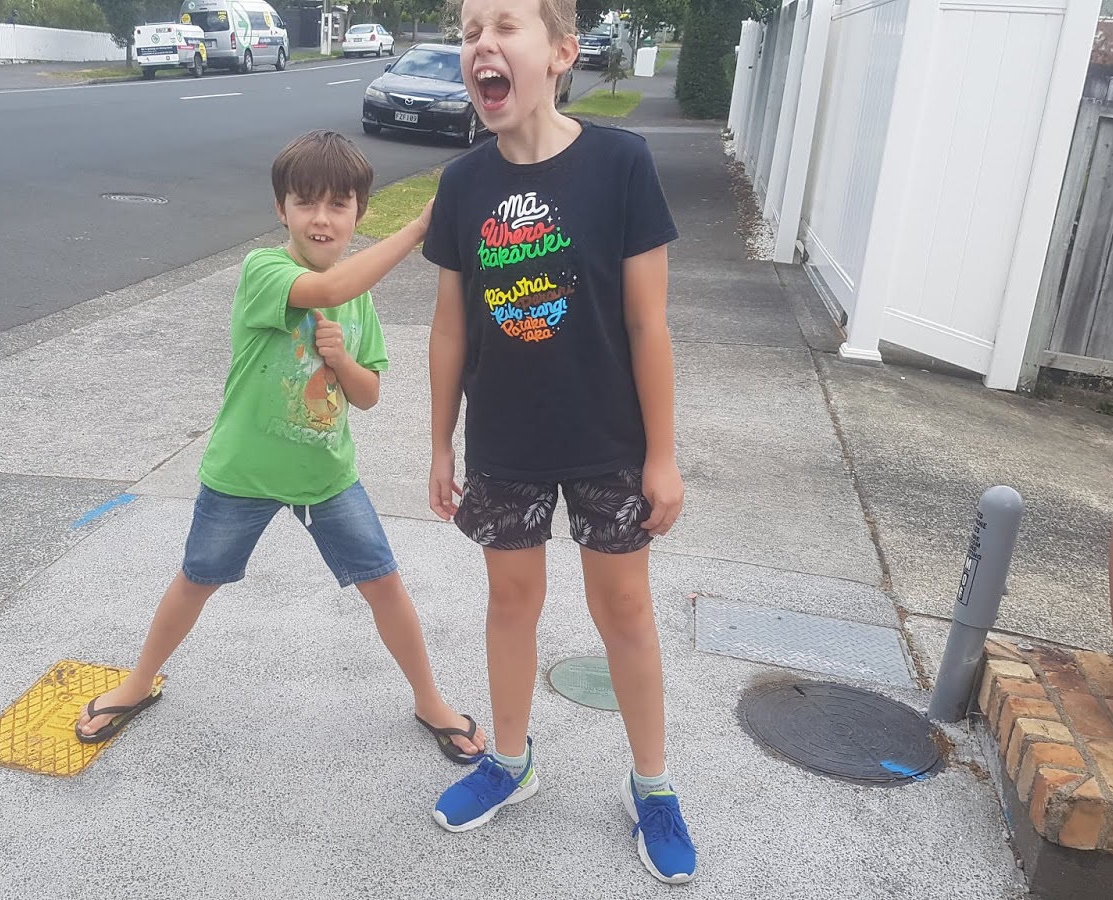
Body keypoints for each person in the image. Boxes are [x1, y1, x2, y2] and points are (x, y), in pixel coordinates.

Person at [75, 131, 487, 767]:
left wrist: (342, 361)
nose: (321, 219)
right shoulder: (264, 271)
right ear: (281, 210)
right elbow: (325, 290)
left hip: (326, 476)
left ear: (359, 212)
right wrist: (417, 230)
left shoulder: (360, 296)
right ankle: (136, 684)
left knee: (384, 584)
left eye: (338, 205)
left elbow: (369, 394)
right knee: (197, 579)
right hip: (243, 474)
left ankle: (430, 701)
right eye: (305, 203)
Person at [421, 0, 696, 884]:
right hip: (506, 438)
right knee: (511, 603)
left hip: (609, 438)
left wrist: (662, 454)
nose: (482, 45)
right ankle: (510, 762)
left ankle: (652, 787)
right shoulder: (462, 185)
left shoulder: (621, 163)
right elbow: (450, 330)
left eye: (504, 25)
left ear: (562, 53)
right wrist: (440, 443)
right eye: (470, 32)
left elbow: (649, 324)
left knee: (626, 612)